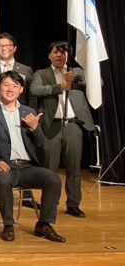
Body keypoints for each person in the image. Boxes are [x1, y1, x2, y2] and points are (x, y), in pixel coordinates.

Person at [0, 71, 65, 243]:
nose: (10, 89)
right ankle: (8, 225)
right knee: (4, 180)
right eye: (6, 85)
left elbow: (40, 143)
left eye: (15, 86)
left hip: (26, 167)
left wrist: (35, 128)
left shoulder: (29, 112)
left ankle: (44, 224)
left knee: (53, 179)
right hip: (2, 167)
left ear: (21, 89)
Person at [29, 41, 95, 218]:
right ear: (49, 55)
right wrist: (59, 87)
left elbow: (98, 82)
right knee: (50, 169)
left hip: (74, 124)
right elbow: (34, 89)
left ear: (69, 55)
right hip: (52, 124)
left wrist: (76, 79)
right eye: (56, 52)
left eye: (63, 52)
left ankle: (73, 204)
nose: (59, 55)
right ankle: (50, 203)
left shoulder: (77, 71)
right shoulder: (42, 73)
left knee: (74, 168)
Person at [0, 32, 34, 107]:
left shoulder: (26, 70)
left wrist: (32, 111)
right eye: (0, 46)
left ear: (14, 48)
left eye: (8, 45)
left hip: (20, 110)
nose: (4, 48)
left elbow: (31, 95)